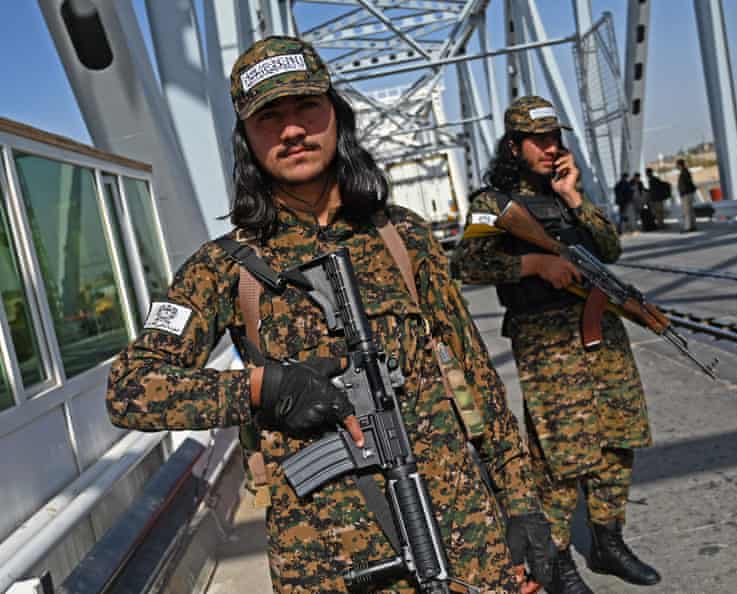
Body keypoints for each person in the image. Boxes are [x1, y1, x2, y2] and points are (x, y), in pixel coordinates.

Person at [106, 36, 554, 593]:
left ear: (336, 117)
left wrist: (522, 505)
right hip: (328, 565)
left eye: (306, 109)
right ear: (246, 139)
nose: (292, 130)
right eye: (270, 117)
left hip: (463, 538)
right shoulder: (223, 268)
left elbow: (479, 375)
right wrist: (262, 388)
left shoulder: (403, 236)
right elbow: (129, 389)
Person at [454, 96, 661, 592]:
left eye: (554, 139)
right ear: (513, 146)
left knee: (619, 434)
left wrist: (574, 198)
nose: (550, 149)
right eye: (538, 141)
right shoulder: (493, 205)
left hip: (600, 333)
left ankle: (609, 541)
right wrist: (532, 265)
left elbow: (609, 248)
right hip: (546, 341)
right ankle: (557, 561)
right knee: (560, 454)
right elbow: (465, 264)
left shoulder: (566, 190)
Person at [676, 159, 697, 232]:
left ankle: (688, 227)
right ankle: (693, 226)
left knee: (686, 211)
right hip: (688, 193)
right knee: (690, 211)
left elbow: (686, 184)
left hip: (686, 194)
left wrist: (683, 192)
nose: (676, 166)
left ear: (679, 165)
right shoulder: (686, 172)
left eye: (677, 165)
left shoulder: (684, 172)